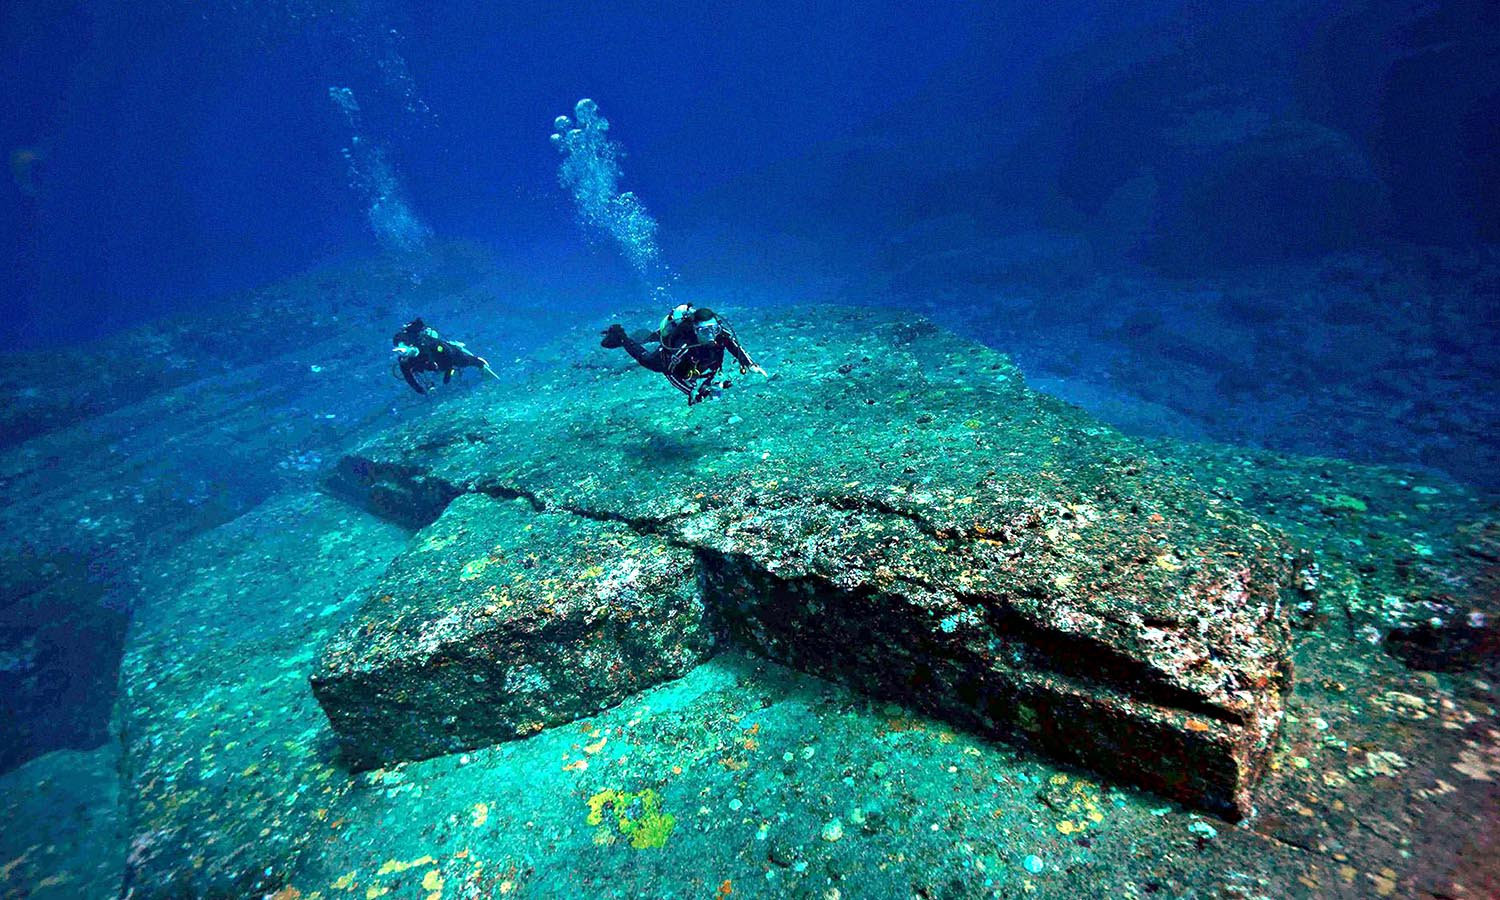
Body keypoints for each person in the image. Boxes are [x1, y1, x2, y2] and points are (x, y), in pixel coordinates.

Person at [600, 303, 766, 404]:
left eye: (713, 329)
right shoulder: (684, 346)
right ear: (695, 329)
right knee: (647, 361)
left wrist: (750, 364)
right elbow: (669, 372)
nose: (711, 335)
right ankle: (620, 335)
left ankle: (654, 335)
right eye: (704, 331)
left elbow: (735, 346)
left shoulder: (720, 334)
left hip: (694, 360)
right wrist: (690, 391)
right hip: (668, 357)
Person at [391, 318, 498, 395]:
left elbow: (448, 354)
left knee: (462, 362)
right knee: (440, 368)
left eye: (402, 349)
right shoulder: (404, 361)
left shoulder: (428, 344)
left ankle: (480, 363)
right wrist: (419, 390)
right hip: (432, 363)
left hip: (445, 354)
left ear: (411, 346)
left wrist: (448, 372)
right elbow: (408, 377)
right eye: (398, 350)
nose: (401, 354)